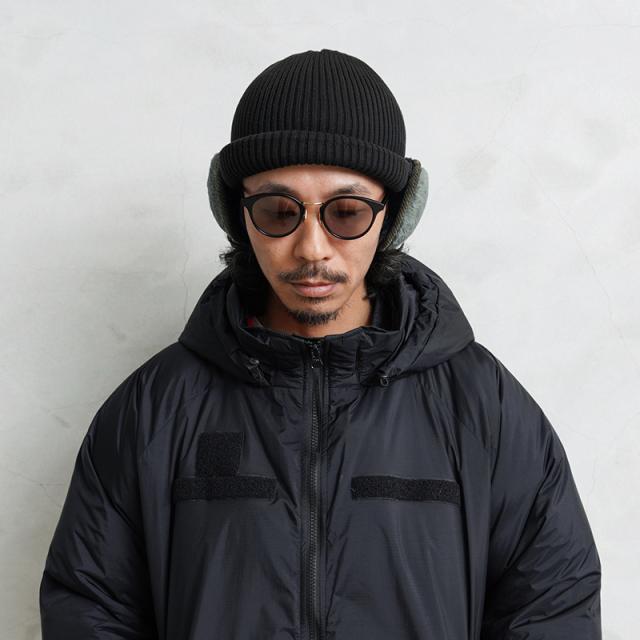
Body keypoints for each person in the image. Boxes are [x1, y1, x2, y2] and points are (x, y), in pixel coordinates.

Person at [39, 48, 602, 639]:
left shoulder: (486, 409)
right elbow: (90, 607)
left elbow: (553, 609)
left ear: (394, 215)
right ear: (238, 215)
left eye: (348, 212)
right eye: (279, 211)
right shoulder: (153, 410)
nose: (312, 247)